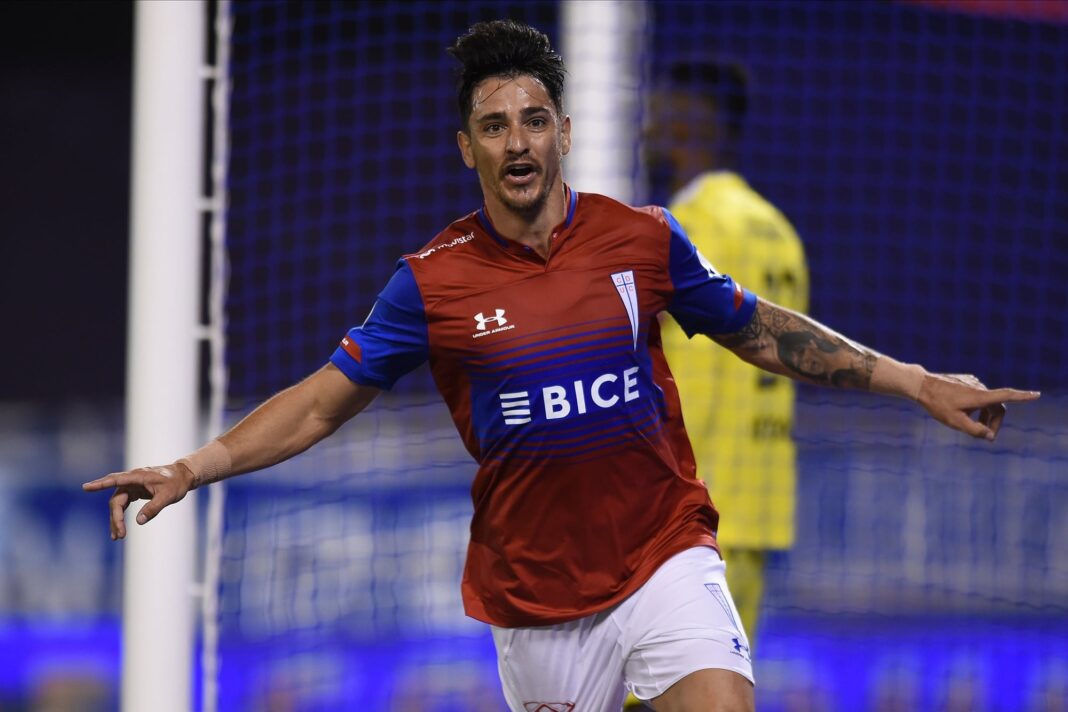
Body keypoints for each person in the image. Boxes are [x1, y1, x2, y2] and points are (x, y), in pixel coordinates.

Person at [83, 20, 1038, 712]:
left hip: (666, 555)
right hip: (536, 601)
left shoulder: (643, 241)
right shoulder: (432, 284)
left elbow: (762, 332)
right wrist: (189, 468)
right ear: (468, 149)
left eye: (534, 120)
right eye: (494, 127)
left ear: (565, 132)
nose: (518, 142)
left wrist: (918, 382)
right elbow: (322, 405)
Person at [648, 59, 809, 648]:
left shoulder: (688, 226)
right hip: (758, 499)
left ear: (689, 124)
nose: (647, 128)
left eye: (658, 113)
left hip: (690, 510)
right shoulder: (777, 229)